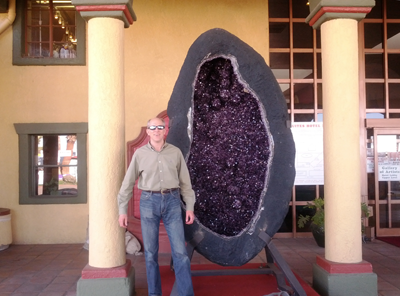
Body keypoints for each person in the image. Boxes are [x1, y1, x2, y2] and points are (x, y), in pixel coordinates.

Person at [118, 117, 196, 296]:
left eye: (160, 127)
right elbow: (127, 183)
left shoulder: (175, 153)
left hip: (172, 202)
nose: (156, 130)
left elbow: (185, 183)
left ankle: (186, 294)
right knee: (151, 254)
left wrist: (190, 206)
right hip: (148, 203)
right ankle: (154, 293)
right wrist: (122, 210)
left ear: (165, 130)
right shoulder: (139, 154)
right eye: (152, 127)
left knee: (180, 253)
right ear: (148, 131)